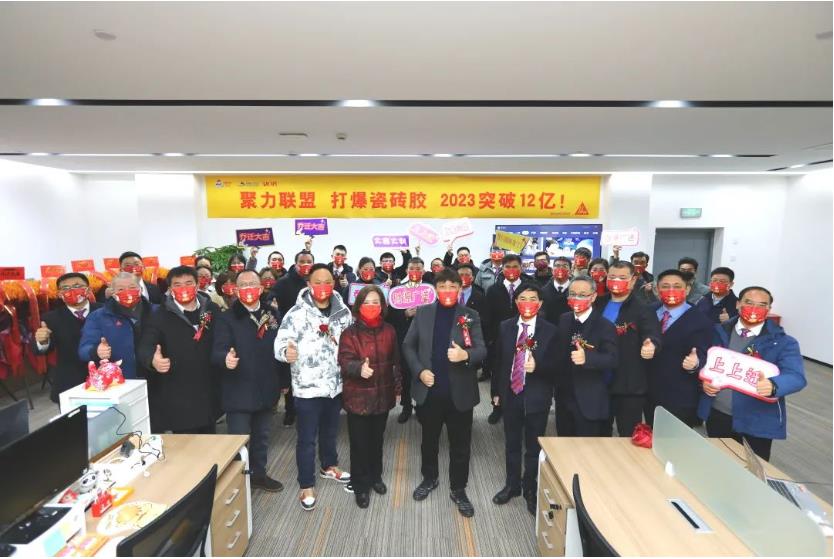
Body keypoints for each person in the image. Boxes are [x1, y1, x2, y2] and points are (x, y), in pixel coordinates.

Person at [403, 268, 486, 518]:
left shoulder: (470, 315)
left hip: (460, 393)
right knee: (429, 441)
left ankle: (458, 488)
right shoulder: (423, 313)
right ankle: (429, 478)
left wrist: (465, 355)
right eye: (442, 286)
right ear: (435, 289)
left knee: (460, 445)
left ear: (460, 289)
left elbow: (482, 350)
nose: (447, 290)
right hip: (429, 392)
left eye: (452, 286)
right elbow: (408, 345)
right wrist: (419, 371)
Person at [275, 264, 354, 511]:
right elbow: (280, 343)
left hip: (334, 385)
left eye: (327, 282)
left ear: (334, 283)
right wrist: (285, 352)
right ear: (309, 284)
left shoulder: (343, 312)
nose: (323, 287)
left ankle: (329, 466)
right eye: (317, 282)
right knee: (307, 438)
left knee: (330, 431)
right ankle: (306, 484)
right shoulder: (296, 314)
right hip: (307, 386)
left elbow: (351, 341)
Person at [698, 286, 806, 461]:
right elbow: (705, 362)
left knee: (753, 468)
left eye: (762, 305)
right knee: (718, 461)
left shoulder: (783, 342)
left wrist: (774, 385)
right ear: (738, 304)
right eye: (749, 303)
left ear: (768, 309)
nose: (755, 309)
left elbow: (796, 376)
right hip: (718, 413)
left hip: (757, 419)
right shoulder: (717, 331)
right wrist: (703, 379)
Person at [211, 270, 284, 492]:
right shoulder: (226, 317)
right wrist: (225, 358)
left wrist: (284, 380)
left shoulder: (272, 314)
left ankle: (259, 475)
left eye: (253, 283)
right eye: (243, 285)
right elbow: (217, 349)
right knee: (239, 441)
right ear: (235, 290)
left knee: (262, 437)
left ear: (261, 288)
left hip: (267, 385)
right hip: (239, 388)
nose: (248, 288)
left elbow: (282, 346)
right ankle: (236, 484)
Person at [491, 284, 557, 515]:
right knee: (511, 443)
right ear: (516, 301)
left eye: (532, 299)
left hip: (537, 396)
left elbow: (558, 366)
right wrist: (496, 392)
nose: (527, 303)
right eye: (523, 298)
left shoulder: (550, 330)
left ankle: (530, 487)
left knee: (533, 446)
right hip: (511, 393)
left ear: (540, 303)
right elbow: (499, 361)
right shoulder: (505, 326)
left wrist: (539, 366)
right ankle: (512, 485)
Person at [338, 285, 402, 508]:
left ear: (382, 306)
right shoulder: (349, 333)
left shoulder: (390, 330)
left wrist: (397, 387)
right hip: (358, 398)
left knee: (377, 440)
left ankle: (376, 477)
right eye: (367, 302)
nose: (372, 306)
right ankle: (360, 486)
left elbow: (396, 362)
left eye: (376, 302)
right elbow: (344, 361)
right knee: (359, 444)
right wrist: (358, 368)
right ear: (358, 306)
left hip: (382, 395)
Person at [138, 266, 222, 434]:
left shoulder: (211, 309)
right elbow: (145, 346)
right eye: (177, 285)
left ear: (197, 285)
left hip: (209, 389)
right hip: (179, 392)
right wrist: (153, 360)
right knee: (186, 445)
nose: (184, 288)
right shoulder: (159, 316)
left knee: (211, 441)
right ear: (170, 289)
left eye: (188, 283)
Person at [594, 262, 661, 436]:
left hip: (629, 384)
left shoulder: (643, 309)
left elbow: (652, 334)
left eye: (622, 277)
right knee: (599, 434)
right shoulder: (597, 303)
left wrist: (651, 345)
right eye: (612, 277)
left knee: (628, 434)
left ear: (633, 280)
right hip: (598, 380)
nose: (616, 281)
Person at [646, 269, 713, 427]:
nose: (671, 291)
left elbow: (704, 353)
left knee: (675, 437)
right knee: (650, 433)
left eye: (677, 286)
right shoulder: (648, 311)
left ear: (687, 289)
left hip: (680, 393)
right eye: (665, 286)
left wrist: (696, 364)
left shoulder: (700, 319)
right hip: (648, 390)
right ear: (657, 289)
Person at [554, 276, 619, 436]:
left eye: (582, 295)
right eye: (572, 294)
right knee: (563, 443)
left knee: (587, 447)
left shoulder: (605, 326)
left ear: (593, 296)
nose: (576, 298)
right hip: (563, 397)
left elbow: (612, 359)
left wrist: (587, 358)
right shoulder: (564, 319)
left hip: (589, 399)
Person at [33, 273, 102, 402]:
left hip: (106, 377)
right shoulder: (51, 318)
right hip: (70, 383)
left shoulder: (104, 310)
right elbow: (41, 350)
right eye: (65, 288)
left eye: (77, 286)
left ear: (88, 290)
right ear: (59, 294)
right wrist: (43, 341)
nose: (72, 291)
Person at [482, 254, 532, 424]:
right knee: (498, 373)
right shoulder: (493, 289)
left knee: (521, 372)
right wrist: (490, 339)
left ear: (521, 268)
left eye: (515, 266)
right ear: (502, 269)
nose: (511, 270)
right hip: (498, 339)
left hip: (523, 337)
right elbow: (488, 316)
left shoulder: (528, 288)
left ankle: (520, 408)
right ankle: (497, 407)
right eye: (507, 267)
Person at [79, 272, 156, 379]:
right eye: (120, 289)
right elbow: (83, 350)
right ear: (112, 293)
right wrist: (96, 351)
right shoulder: (98, 317)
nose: (127, 292)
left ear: (141, 289)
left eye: (132, 287)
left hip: (158, 377)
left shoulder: (158, 312)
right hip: (121, 379)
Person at [269, 250, 315, 426]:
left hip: (312, 333)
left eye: (309, 261)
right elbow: (270, 299)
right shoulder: (284, 282)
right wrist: (274, 306)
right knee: (291, 373)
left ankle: (308, 410)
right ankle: (290, 410)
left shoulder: (315, 280)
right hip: (292, 333)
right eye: (302, 262)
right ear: (295, 264)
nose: (305, 265)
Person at [387, 257, 427, 423]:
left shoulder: (430, 290)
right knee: (405, 373)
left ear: (423, 271)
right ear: (406, 270)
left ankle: (421, 406)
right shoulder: (398, 290)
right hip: (405, 338)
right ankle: (406, 406)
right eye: (412, 268)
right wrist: (404, 313)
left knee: (423, 372)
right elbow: (390, 315)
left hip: (425, 339)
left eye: (418, 269)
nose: (415, 272)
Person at [541, 256, 571, 326]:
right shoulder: (543, 291)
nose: (560, 269)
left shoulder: (576, 290)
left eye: (565, 266)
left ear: (570, 271)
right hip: (549, 328)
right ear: (552, 270)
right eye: (557, 266)